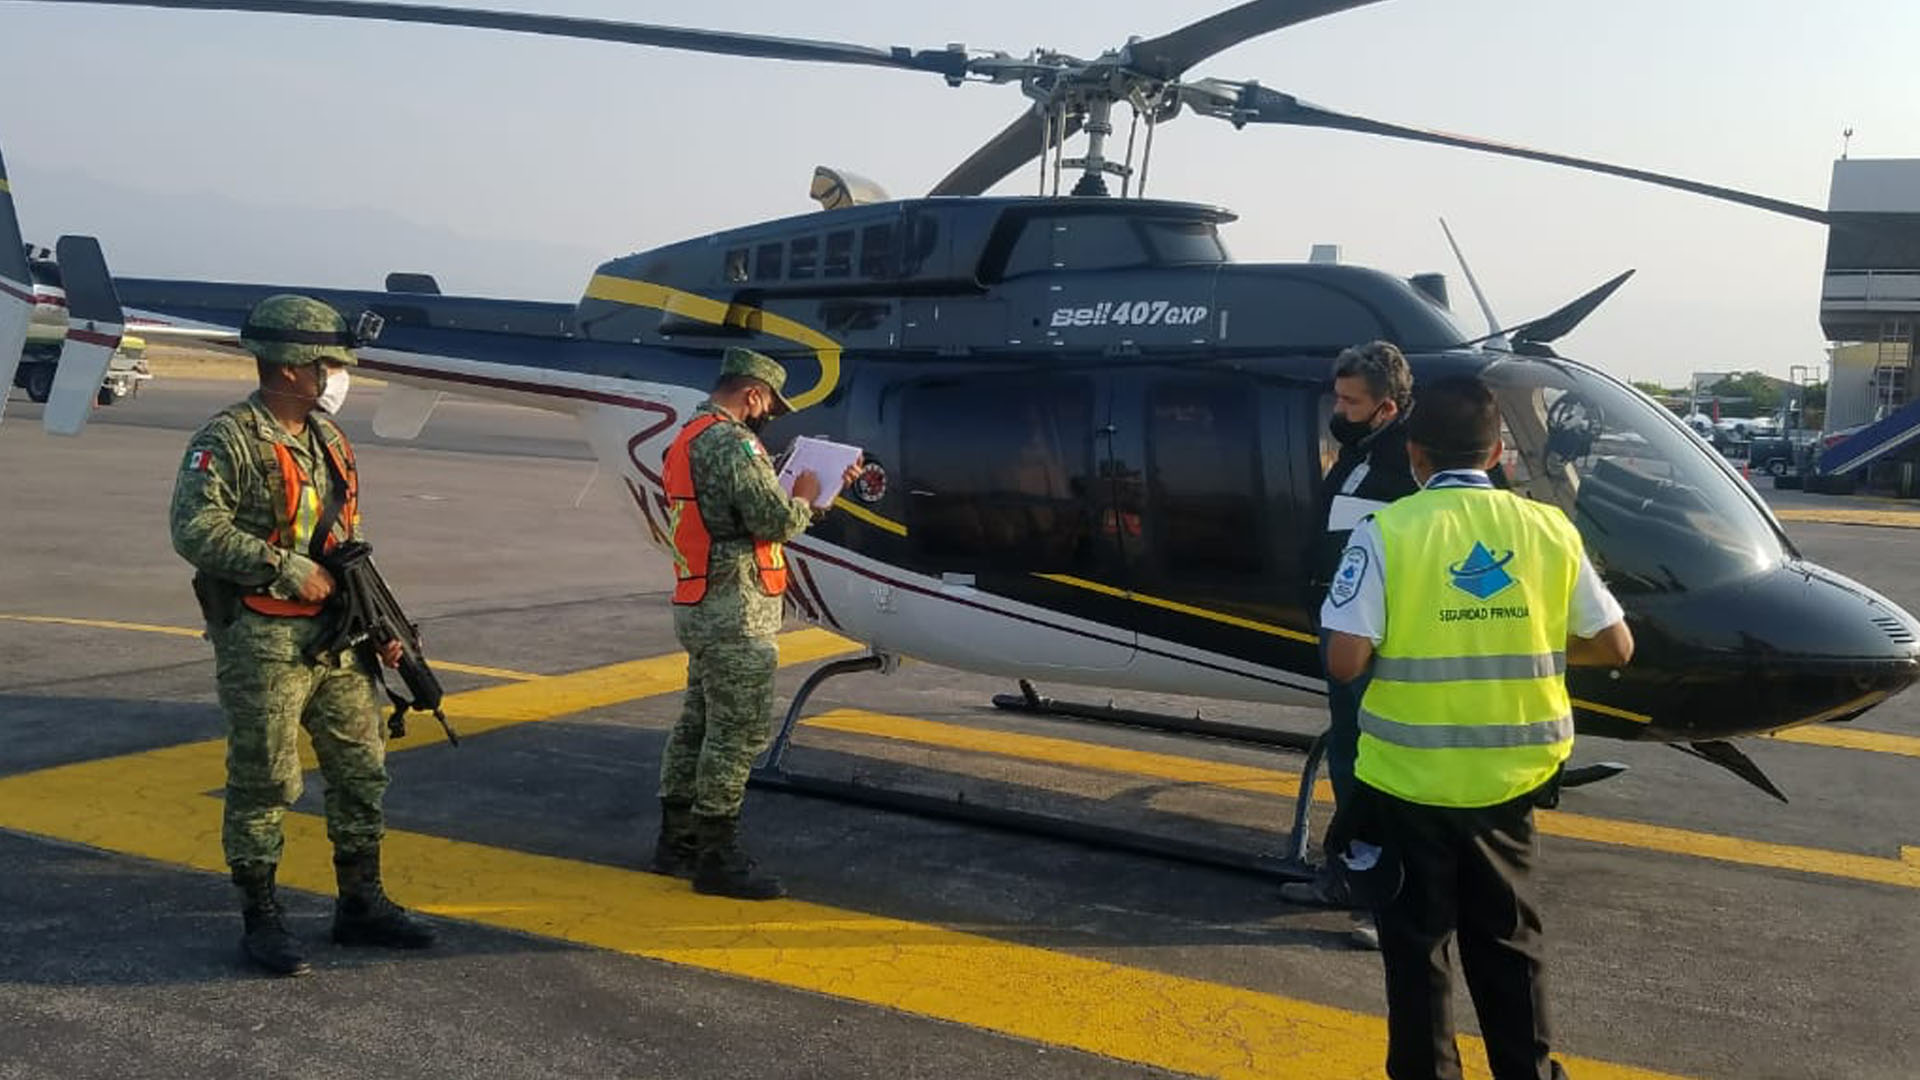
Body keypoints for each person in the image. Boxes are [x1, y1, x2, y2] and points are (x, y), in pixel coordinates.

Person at [1319, 374, 1633, 1080]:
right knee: (1510, 944)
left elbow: (1345, 662)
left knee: (1418, 951)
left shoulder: (1387, 531)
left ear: (1415, 455)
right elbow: (1616, 646)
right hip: (1512, 781)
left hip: (1408, 782)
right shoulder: (1549, 528)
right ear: (1496, 453)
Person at [170, 294, 434, 977]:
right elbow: (194, 530)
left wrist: (379, 627)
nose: (333, 376)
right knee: (265, 781)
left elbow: (345, 544)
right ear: (289, 369)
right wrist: (283, 567)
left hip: (340, 639)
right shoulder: (227, 438)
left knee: (362, 770)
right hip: (264, 639)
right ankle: (262, 917)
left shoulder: (329, 439)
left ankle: (360, 904)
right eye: (324, 364)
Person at [651, 346, 859, 900]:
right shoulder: (735, 442)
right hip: (735, 611)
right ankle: (717, 857)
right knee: (735, 733)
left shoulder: (690, 435)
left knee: (696, 725)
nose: (767, 416)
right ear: (753, 394)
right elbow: (773, 518)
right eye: (768, 405)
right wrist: (812, 498)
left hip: (700, 602)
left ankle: (676, 842)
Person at [1284, 340, 1419, 949]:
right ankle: (1353, 869)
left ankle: (1384, 890)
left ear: (1387, 407)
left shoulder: (1400, 463)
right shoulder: (1363, 448)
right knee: (1350, 751)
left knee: (1373, 760)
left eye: (1350, 399)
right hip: (1344, 622)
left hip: (1371, 635)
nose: (1338, 408)